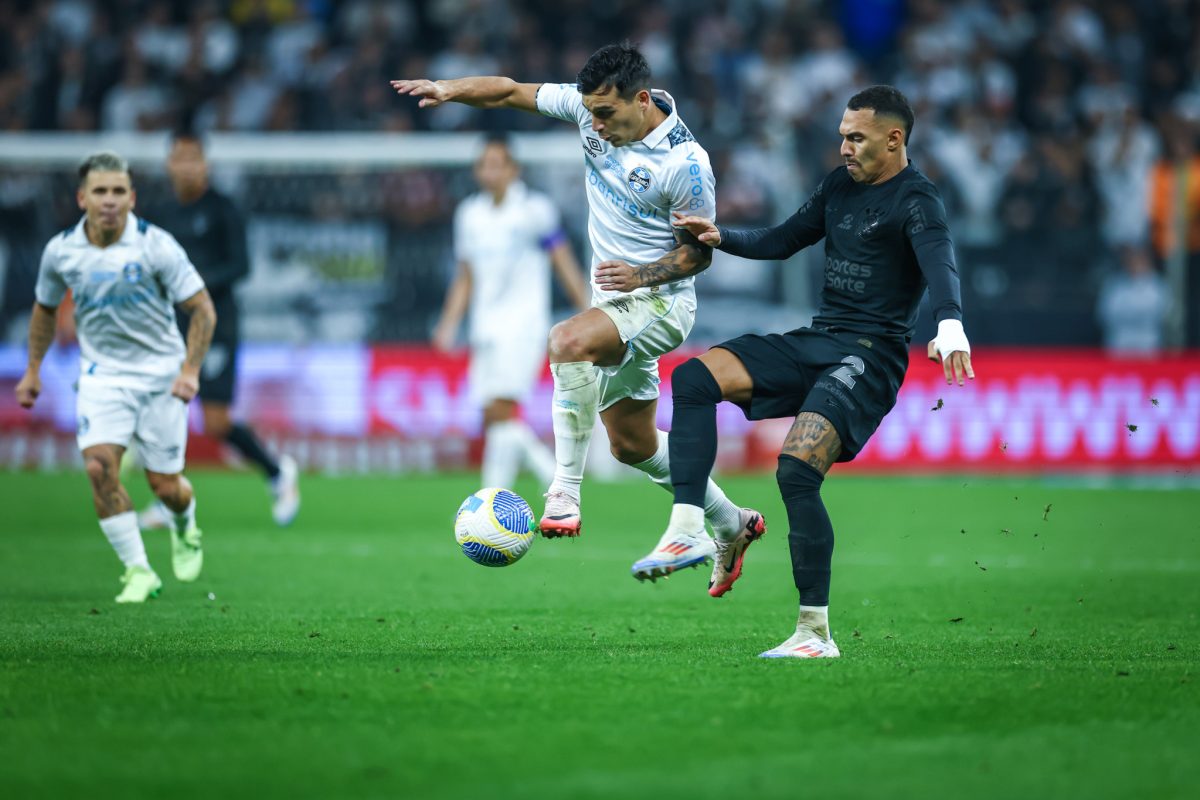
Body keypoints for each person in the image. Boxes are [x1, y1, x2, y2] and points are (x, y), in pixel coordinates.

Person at [607, 86, 975, 657]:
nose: (845, 147)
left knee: (796, 470)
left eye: (856, 137)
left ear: (894, 138)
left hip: (870, 357)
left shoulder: (918, 200)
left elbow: (941, 262)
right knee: (695, 379)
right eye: (842, 136)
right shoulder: (838, 185)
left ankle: (814, 633)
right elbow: (784, 240)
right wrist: (721, 235)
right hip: (819, 339)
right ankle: (690, 527)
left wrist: (949, 323)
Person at [392, 43, 765, 579]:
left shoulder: (687, 163)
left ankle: (563, 491)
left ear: (641, 100)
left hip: (661, 303)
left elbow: (698, 253)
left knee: (566, 342)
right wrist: (449, 89)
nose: (594, 124)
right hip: (612, 305)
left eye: (606, 114)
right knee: (631, 444)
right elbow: (508, 88)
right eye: (589, 111)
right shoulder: (591, 109)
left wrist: (640, 275)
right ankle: (732, 522)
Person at [15, 151, 217, 603]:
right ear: (82, 197)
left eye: (119, 191)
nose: (110, 200)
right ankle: (138, 570)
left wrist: (190, 370)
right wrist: (32, 370)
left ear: (132, 197)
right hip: (102, 376)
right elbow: (46, 309)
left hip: (162, 377)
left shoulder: (155, 245)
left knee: (166, 487)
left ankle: (185, 524)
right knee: (98, 467)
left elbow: (202, 308)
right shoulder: (62, 251)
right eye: (101, 191)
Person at [139, 132, 300, 529]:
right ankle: (169, 498)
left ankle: (277, 472)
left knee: (215, 423)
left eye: (194, 158)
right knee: (164, 411)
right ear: (169, 165)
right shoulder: (162, 213)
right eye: (180, 158)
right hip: (171, 324)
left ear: (205, 164)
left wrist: (193, 284)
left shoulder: (223, 209)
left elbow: (241, 265)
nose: (187, 166)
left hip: (215, 324)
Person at [432, 137, 590, 489]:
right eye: (484, 164)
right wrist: (449, 322)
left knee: (503, 407)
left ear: (513, 169)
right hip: (484, 326)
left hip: (523, 324)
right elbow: (465, 276)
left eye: (497, 164)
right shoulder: (469, 215)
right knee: (492, 414)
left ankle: (532, 483)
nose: (490, 172)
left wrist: (587, 305)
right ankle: (505, 492)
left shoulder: (534, 210)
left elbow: (560, 258)